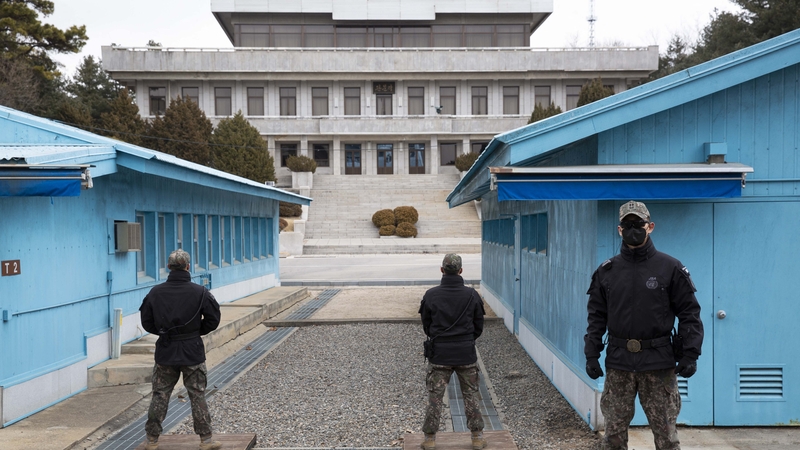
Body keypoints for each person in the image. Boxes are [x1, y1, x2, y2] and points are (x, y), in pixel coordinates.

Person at [584, 201, 704, 450]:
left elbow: (689, 312)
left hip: (658, 364)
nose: (633, 229)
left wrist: (690, 353)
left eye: (638, 224)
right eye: (627, 225)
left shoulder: (670, 268)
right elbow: (596, 316)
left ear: (650, 227)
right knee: (613, 438)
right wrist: (591, 354)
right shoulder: (607, 271)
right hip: (619, 364)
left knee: (667, 438)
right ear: (619, 230)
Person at [139, 249, 222, 450]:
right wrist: (195, 332)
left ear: (169, 267)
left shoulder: (155, 292)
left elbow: (146, 322)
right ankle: (206, 440)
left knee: (160, 394)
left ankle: (151, 440)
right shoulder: (200, 292)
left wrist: (163, 333)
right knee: (197, 393)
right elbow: (213, 319)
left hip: (166, 351)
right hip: (192, 350)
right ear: (188, 266)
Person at [419, 254, 487, 450]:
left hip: (440, 354)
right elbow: (478, 326)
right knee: (471, 395)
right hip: (466, 353)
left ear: (441, 270)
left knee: (435, 397)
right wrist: (466, 338)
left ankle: (430, 439)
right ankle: (477, 437)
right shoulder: (472, 295)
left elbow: (427, 325)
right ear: (461, 271)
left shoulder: (431, 295)